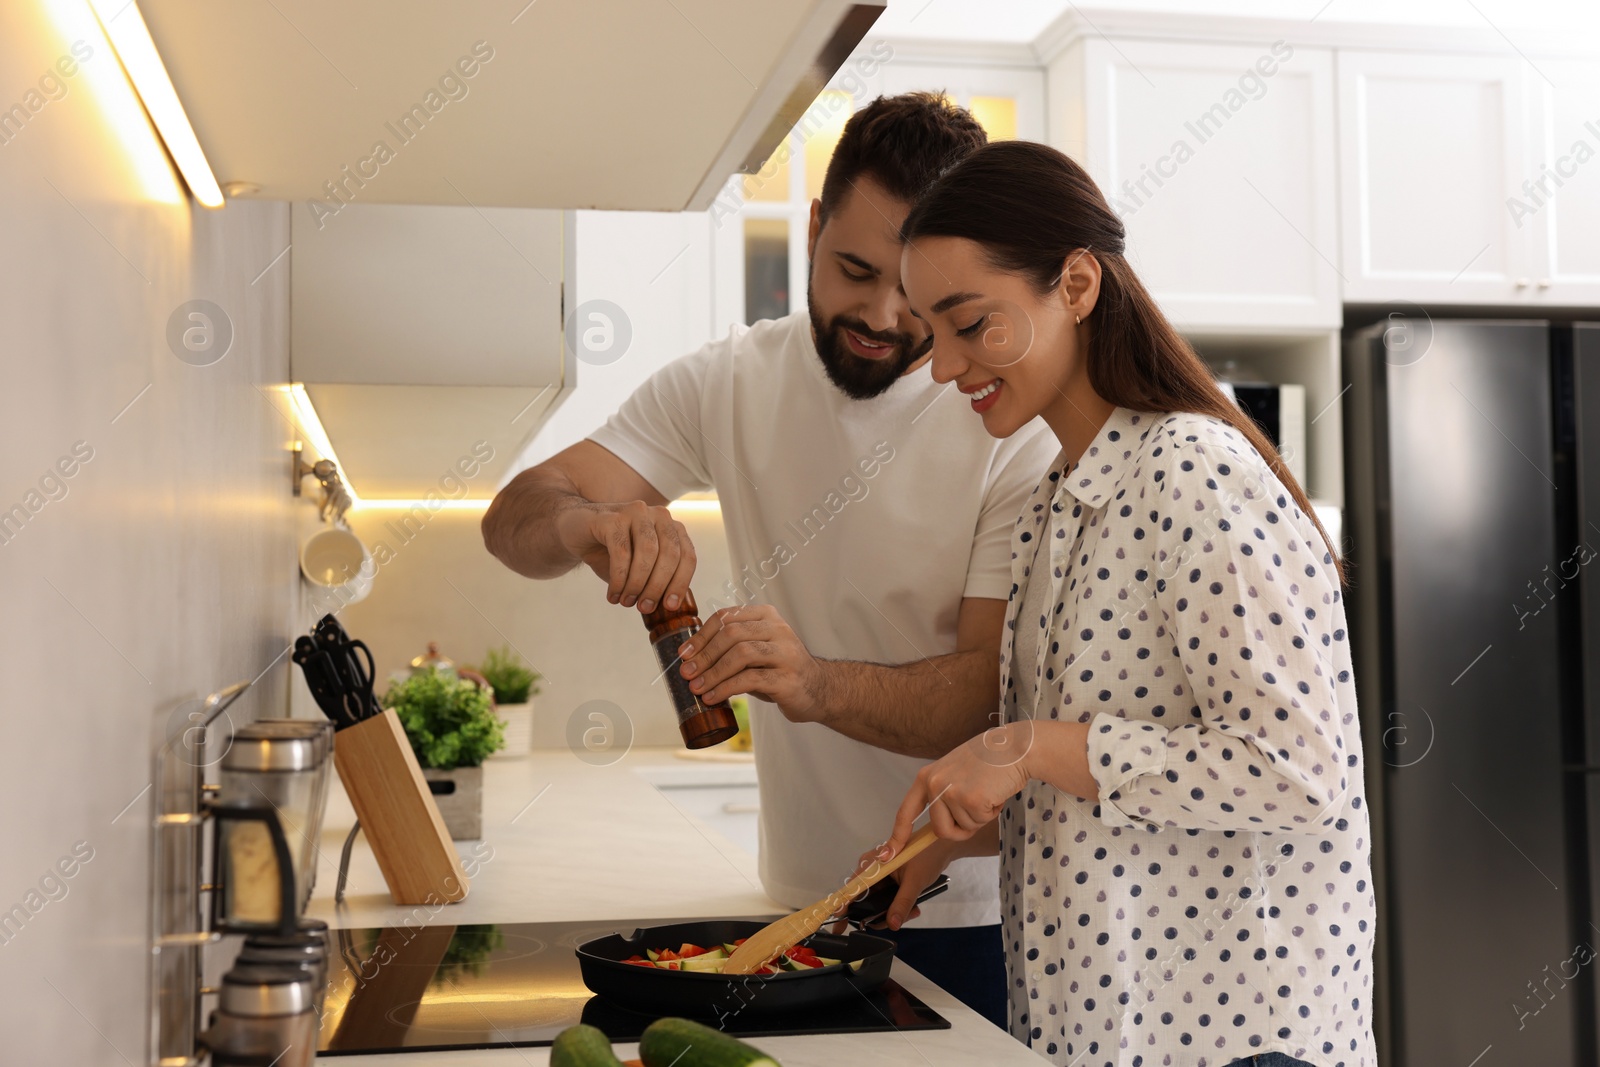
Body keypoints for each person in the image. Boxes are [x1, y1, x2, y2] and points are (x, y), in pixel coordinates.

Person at [481, 94, 1057, 1027]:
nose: (879, 314)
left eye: (912, 288)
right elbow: (513, 518)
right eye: (854, 270)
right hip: (790, 904)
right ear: (813, 226)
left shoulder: (1001, 421)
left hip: (965, 910)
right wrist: (591, 526)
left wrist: (813, 682)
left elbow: (987, 699)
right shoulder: (730, 379)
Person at [878, 139, 1376, 1067]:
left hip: (1237, 1044)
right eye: (929, 332)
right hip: (1107, 1033)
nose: (943, 367)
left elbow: (1299, 770)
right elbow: (1108, 782)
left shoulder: (1195, 472)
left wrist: (1021, 744)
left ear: (1074, 285)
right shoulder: (1049, 503)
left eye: (970, 324)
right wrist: (948, 834)